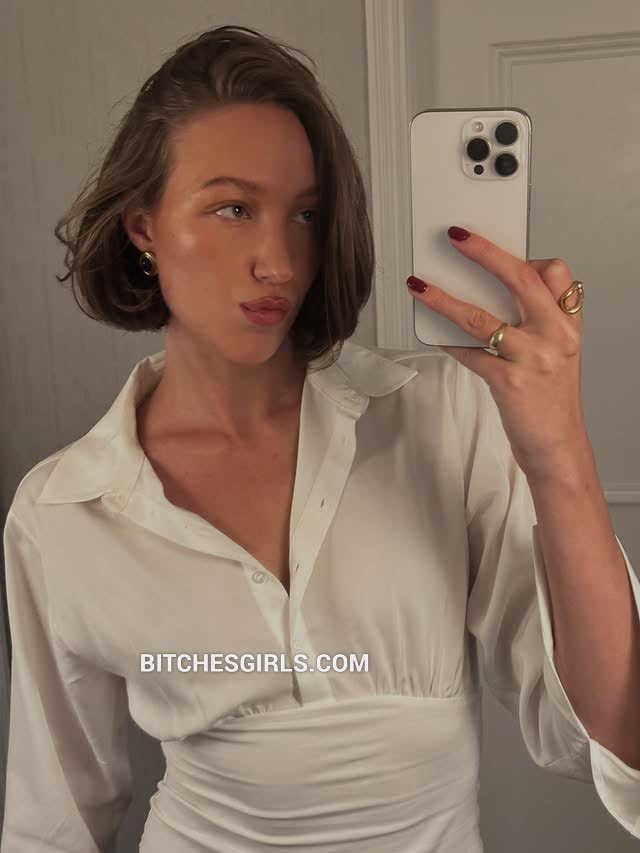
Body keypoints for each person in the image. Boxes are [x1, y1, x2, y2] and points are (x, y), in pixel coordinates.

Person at [2, 24, 639, 853]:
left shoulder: (442, 415)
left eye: (306, 214)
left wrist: (560, 452)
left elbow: (612, 734)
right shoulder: (64, 509)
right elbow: (50, 822)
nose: (278, 260)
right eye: (233, 208)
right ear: (144, 227)